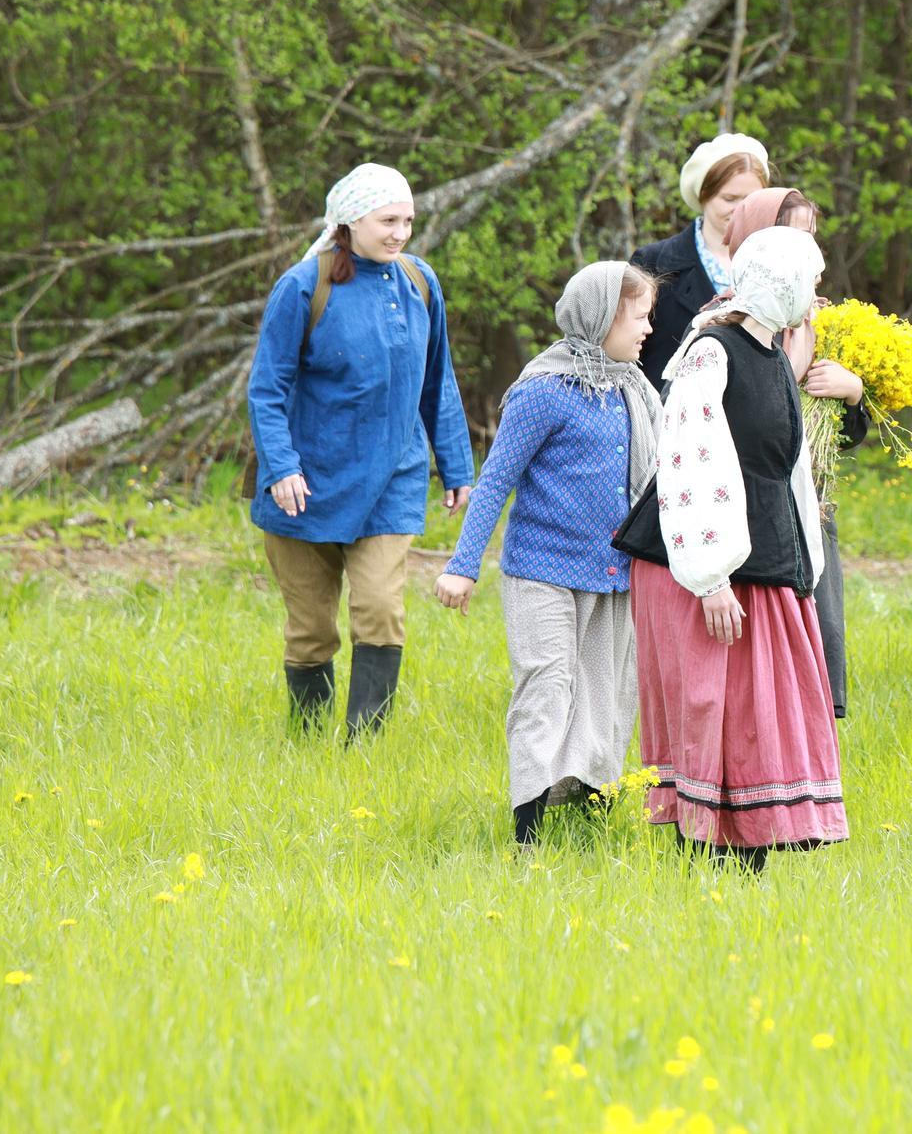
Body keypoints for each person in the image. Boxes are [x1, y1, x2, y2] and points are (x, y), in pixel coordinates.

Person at [629, 226, 848, 869]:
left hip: (761, 553)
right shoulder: (712, 351)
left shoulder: (772, 351)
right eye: (808, 284)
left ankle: (754, 840)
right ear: (778, 285)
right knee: (715, 703)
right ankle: (702, 851)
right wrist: (711, 576)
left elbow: (786, 467)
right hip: (704, 558)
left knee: (759, 705)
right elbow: (689, 463)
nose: (814, 298)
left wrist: (805, 554)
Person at [432, 263, 659, 847]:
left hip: (616, 574)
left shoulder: (637, 391)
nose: (649, 330)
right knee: (547, 684)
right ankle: (526, 827)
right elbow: (496, 481)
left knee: (606, 693)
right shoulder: (543, 391)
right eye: (639, 317)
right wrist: (462, 567)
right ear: (602, 318)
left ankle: (589, 811)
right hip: (542, 571)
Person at [246, 164, 475, 740]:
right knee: (311, 628)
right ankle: (308, 739)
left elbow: (436, 379)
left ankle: (363, 746)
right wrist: (281, 466)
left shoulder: (420, 282)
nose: (400, 233)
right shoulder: (304, 286)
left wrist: (455, 463)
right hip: (306, 483)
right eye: (388, 220)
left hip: (393, 478)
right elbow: (267, 387)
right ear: (350, 221)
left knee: (379, 608)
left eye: (408, 221)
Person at [718, 186, 866, 718]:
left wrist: (852, 392)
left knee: (815, 637)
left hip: (809, 506)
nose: (806, 249)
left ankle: (811, 747)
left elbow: (846, 438)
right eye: (791, 234)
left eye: (810, 235)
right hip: (747, 508)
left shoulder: (818, 322)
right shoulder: (725, 326)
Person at [631, 132, 771, 379]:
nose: (740, 209)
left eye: (751, 200)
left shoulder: (778, 266)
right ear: (703, 196)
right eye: (729, 198)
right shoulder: (654, 263)